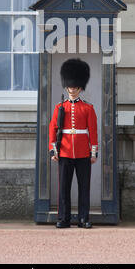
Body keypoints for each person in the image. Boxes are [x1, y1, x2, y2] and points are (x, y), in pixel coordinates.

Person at [49, 58, 98, 229]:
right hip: (64, 151)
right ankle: (64, 218)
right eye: (70, 86)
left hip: (83, 152)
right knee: (64, 188)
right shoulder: (59, 107)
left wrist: (93, 152)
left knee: (84, 188)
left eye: (75, 87)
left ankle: (83, 218)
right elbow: (53, 129)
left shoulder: (88, 108)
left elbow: (93, 131)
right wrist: (53, 150)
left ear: (80, 87)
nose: (72, 89)